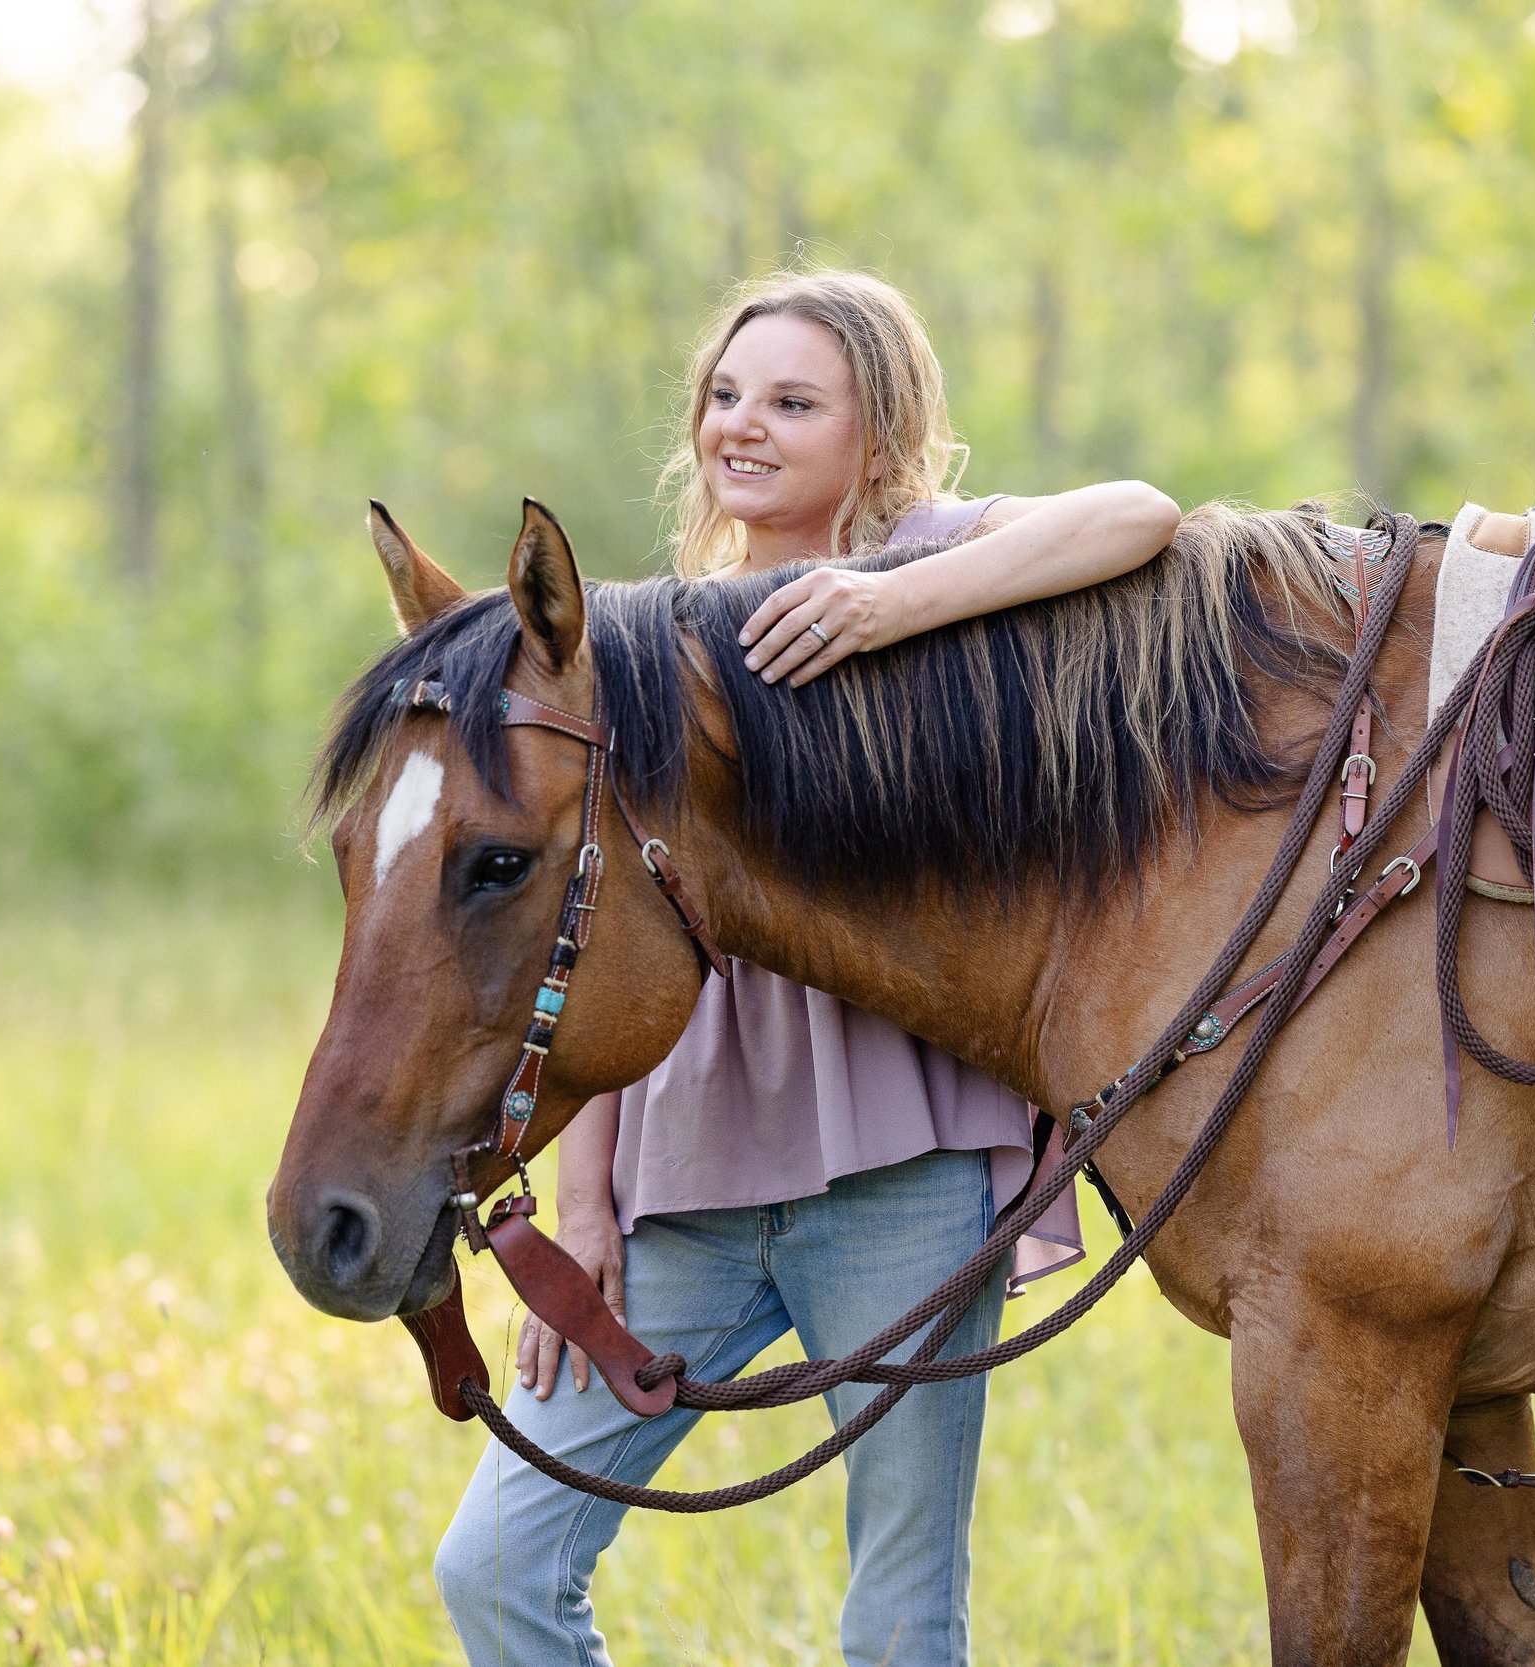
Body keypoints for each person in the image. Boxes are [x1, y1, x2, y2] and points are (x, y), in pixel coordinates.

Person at [433, 269, 1181, 1667]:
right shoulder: (650, 638)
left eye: (792, 401)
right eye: (725, 397)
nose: (743, 426)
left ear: (877, 432)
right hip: (682, 1181)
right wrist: (584, 1205)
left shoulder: (927, 563)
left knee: (900, 1616)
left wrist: (896, 605)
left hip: (900, 1173)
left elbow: (1140, 519)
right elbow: (597, 925)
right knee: (493, 1566)